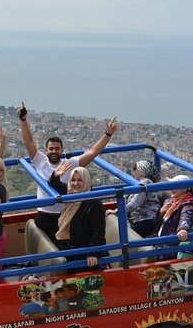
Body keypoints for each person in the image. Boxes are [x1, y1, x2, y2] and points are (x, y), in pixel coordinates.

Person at [16, 101, 118, 246]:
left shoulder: (70, 164)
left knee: (65, 248)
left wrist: (108, 134)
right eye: (51, 148)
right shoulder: (40, 161)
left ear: (62, 150)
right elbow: (29, 142)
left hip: (65, 215)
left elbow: (93, 152)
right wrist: (23, 119)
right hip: (43, 214)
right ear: (46, 150)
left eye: (57, 148)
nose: (54, 151)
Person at [49, 162, 108, 272]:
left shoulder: (93, 203)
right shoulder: (70, 195)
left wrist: (92, 254)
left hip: (84, 253)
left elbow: (98, 231)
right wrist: (56, 175)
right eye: (73, 180)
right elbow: (55, 184)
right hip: (69, 248)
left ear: (86, 182)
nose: (75, 183)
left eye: (80, 180)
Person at [105, 159, 161, 237]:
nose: (134, 171)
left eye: (135, 169)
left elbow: (134, 203)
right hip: (139, 220)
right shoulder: (142, 184)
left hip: (145, 221)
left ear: (142, 171)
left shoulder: (146, 183)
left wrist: (116, 211)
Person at [155, 174, 193, 260]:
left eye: (175, 187)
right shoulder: (171, 201)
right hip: (161, 235)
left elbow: (186, 216)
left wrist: (182, 229)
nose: (172, 189)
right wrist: (161, 211)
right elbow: (156, 220)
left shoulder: (188, 204)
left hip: (170, 242)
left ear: (184, 189)